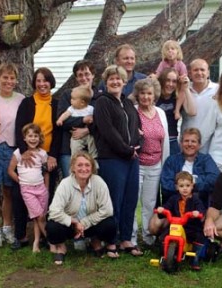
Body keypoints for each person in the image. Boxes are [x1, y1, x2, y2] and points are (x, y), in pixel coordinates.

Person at [93, 65, 143, 256]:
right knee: (114, 200)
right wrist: (126, 150)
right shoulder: (102, 103)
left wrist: (138, 145)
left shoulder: (128, 104)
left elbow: (137, 128)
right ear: (106, 83)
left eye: (118, 79)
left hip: (132, 158)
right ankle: (111, 241)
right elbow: (108, 132)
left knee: (130, 200)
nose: (115, 82)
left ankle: (125, 239)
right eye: (111, 79)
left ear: (124, 82)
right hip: (112, 159)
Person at [12, 67, 61, 250]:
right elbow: (19, 129)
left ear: (51, 83)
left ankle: (46, 235)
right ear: (34, 83)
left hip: (47, 157)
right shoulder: (27, 103)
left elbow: (58, 133)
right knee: (19, 195)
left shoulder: (56, 104)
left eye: (45, 80)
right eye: (38, 81)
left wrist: (52, 156)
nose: (42, 84)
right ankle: (21, 235)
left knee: (46, 197)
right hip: (28, 156)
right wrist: (24, 150)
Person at [46, 152, 118, 265]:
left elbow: (107, 210)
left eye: (87, 165)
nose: (84, 168)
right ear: (73, 168)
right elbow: (54, 211)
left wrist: (84, 223)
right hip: (71, 226)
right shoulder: (65, 184)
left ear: (92, 168)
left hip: (90, 225)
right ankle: (61, 247)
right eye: (79, 165)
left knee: (110, 223)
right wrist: (73, 222)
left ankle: (95, 241)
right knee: (52, 226)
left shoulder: (98, 182)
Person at [0, 63, 25, 248]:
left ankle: (8, 227)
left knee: (9, 191)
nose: (8, 81)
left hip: (12, 149)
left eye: (12, 78)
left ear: (16, 80)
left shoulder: (20, 99)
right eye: (5, 77)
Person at [131, 78, 170, 246]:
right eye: (143, 93)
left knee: (150, 203)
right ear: (137, 95)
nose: (146, 97)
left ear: (154, 95)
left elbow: (165, 140)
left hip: (156, 165)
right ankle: (131, 238)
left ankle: (148, 237)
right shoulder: (133, 111)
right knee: (133, 202)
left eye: (149, 93)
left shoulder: (160, 113)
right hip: (137, 165)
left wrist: (164, 164)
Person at [149, 171, 206, 271]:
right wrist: (161, 210)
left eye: (187, 185)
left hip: (190, 226)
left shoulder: (195, 200)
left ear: (192, 186)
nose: (185, 188)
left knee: (198, 237)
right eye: (181, 186)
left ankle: (195, 260)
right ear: (176, 187)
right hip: (176, 226)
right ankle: (165, 256)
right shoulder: (173, 199)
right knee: (163, 236)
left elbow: (201, 209)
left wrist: (197, 213)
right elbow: (166, 208)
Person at [7, 123, 49, 253]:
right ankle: (52, 240)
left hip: (41, 189)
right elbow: (10, 170)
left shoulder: (42, 153)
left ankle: (36, 243)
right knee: (39, 216)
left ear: (39, 138)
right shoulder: (19, 153)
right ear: (24, 138)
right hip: (27, 189)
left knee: (39, 217)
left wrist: (46, 188)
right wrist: (21, 182)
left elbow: (46, 172)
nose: (33, 139)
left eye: (36, 136)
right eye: (30, 136)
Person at [58, 60, 99, 178]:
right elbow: (62, 120)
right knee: (72, 185)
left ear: (93, 75)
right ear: (76, 77)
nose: (84, 78)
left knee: (93, 185)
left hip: (94, 148)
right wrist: (83, 120)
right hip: (69, 149)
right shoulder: (69, 95)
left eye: (87, 74)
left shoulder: (100, 96)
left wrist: (87, 130)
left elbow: (103, 121)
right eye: (80, 75)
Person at [160, 128, 219, 209]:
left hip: (200, 207)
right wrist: (190, 187)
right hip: (175, 206)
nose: (189, 144)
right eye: (186, 141)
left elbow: (214, 180)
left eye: (193, 141)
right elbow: (166, 186)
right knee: (155, 221)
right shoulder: (171, 160)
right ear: (181, 143)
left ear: (199, 145)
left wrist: (190, 183)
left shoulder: (206, 160)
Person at [181, 59, 218, 153]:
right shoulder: (184, 90)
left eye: (202, 70)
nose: (199, 73)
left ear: (208, 73)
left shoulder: (217, 90)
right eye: (195, 70)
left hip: (209, 146)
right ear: (190, 73)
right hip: (186, 145)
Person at [156, 68, 196, 155]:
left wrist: (186, 88)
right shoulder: (155, 96)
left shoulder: (178, 98)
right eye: (168, 80)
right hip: (155, 141)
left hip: (172, 140)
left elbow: (192, 112)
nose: (170, 84)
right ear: (162, 80)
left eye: (174, 81)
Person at [56, 85, 97, 159]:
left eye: (73, 99)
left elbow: (96, 119)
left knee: (92, 142)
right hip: (75, 134)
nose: (71, 100)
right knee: (74, 146)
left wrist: (91, 121)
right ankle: (75, 159)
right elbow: (65, 114)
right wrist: (60, 120)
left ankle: (94, 158)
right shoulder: (71, 108)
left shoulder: (90, 109)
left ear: (82, 102)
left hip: (88, 133)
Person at [154, 40, 188, 120]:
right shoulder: (163, 63)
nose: (170, 51)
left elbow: (184, 76)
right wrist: (154, 77)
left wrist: (181, 78)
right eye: (167, 49)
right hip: (164, 87)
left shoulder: (180, 64)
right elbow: (158, 74)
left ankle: (177, 110)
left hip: (177, 86)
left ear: (178, 52)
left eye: (173, 49)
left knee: (183, 89)